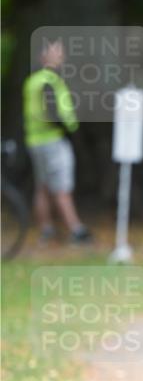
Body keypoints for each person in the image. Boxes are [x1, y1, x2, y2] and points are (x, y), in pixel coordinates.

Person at [23, 40, 92, 244]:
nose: (61, 57)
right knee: (62, 186)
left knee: (42, 187)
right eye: (56, 52)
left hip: (34, 139)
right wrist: (67, 131)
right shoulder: (49, 80)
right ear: (44, 56)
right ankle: (76, 230)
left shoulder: (31, 81)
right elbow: (53, 111)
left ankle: (46, 229)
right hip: (53, 139)